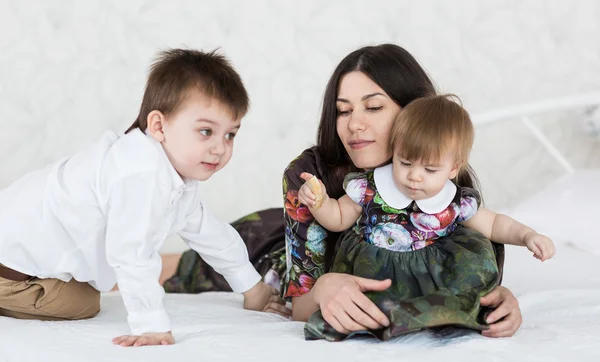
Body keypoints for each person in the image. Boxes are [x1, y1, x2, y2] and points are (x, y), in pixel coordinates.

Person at [164, 43, 524, 338]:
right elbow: (300, 305)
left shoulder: (437, 175)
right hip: (266, 247)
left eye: (374, 107)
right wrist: (321, 290)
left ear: (415, 112)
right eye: (343, 110)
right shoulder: (309, 176)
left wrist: (495, 299)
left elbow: (457, 265)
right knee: (180, 266)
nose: (354, 124)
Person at [0, 48, 286, 347]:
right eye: (206, 131)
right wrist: (150, 325)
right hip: (12, 270)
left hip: (18, 247)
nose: (220, 148)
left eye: (230, 135)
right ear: (159, 126)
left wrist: (253, 288)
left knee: (89, 290)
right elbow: (132, 254)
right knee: (82, 302)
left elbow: (210, 233)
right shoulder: (138, 175)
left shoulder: (169, 173)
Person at [297, 94, 554, 341]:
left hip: (432, 276)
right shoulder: (370, 187)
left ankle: (445, 315)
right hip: (376, 274)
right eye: (405, 163)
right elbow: (338, 218)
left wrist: (527, 235)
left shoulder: (454, 203)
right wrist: (320, 203)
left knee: (468, 293)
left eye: (430, 169)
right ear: (394, 152)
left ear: (453, 168)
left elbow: (495, 223)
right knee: (355, 313)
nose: (415, 176)